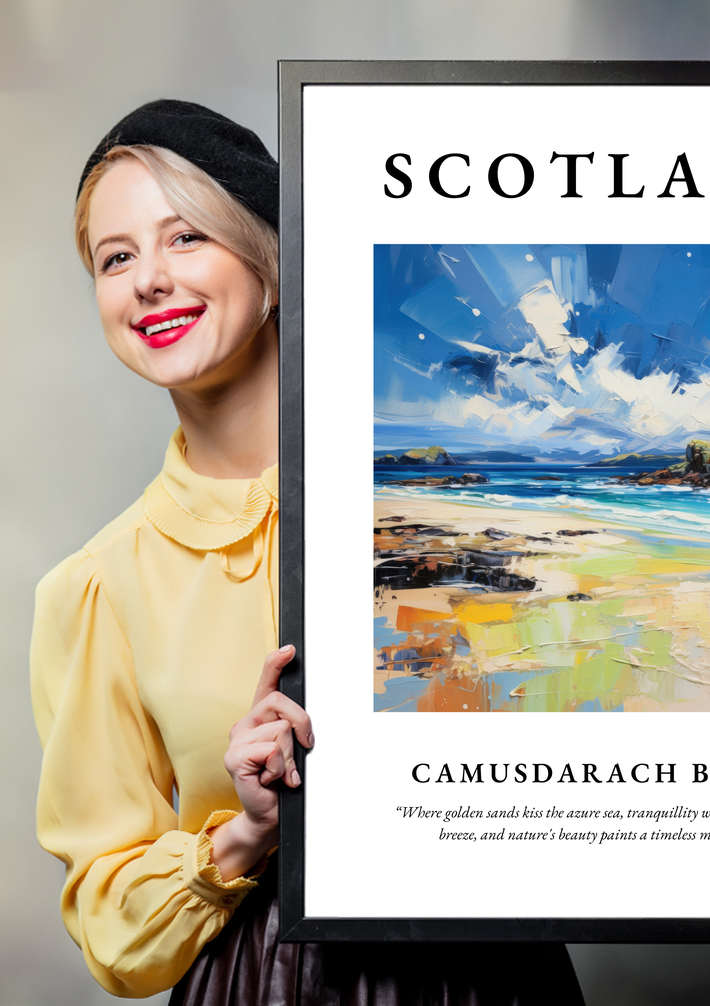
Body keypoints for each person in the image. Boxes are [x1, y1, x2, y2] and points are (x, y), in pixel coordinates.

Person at [30, 100, 585, 1004]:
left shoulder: (443, 507)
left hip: (493, 974)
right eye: (116, 257)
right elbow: (110, 924)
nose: (148, 281)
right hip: (263, 981)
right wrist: (245, 832)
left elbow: (604, 709)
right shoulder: (97, 587)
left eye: (185, 239)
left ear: (273, 264)